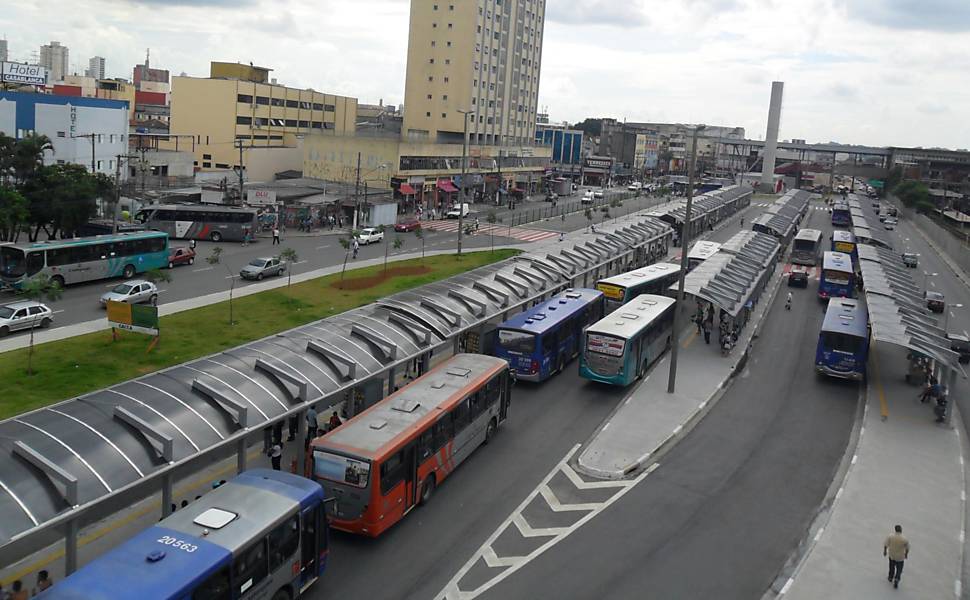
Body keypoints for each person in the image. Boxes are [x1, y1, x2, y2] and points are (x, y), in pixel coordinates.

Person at [883, 524, 910, 588]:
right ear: (901, 530)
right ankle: (897, 579)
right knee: (899, 569)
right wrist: (906, 554)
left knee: (891, 567)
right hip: (900, 557)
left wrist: (885, 551)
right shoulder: (904, 539)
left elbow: (886, 544)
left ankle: (890, 577)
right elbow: (907, 548)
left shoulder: (890, 536)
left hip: (892, 555)